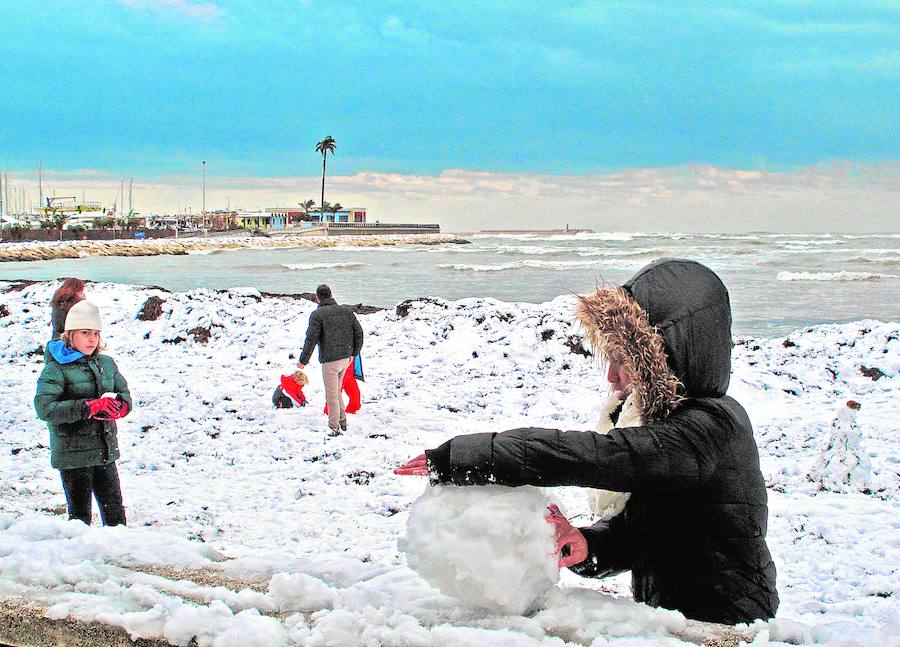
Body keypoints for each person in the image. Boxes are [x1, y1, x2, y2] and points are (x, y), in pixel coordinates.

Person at [396, 258, 779, 625]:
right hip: (672, 617)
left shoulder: (708, 427)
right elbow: (650, 529)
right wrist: (589, 545)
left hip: (729, 621)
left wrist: (473, 456)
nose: (611, 377)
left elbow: (595, 457)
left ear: (666, 358)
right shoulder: (661, 420)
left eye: (624, 361)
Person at [34, 300, 132, 526]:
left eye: (96, 333)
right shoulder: (56, 368)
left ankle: (116, 556)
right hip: (73, 457)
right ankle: (77, 559)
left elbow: (124, 393)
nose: (92, 339)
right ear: (70, 335)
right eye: (85, 332)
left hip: (105, 452)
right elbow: (44, 408)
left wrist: (121, 406)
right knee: (80, 521)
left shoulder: (106, 364)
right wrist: (88, 407)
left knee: (116, 518)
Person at [296, 284, 364, 435]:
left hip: (330, 361)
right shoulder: (347, 311)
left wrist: (303, 361)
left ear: (317, 298)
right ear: (331, 295)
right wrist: (354, 353)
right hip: (346, 359)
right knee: (336, 391)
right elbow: (359, 333)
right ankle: (343, 421)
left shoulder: (317, 315)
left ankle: (334, 427)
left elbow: (311, 340)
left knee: (331, 394)